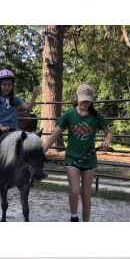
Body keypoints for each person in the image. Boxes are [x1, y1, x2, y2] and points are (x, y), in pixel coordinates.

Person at [43, 84, 113, 222]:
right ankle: (74, 218)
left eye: (88, 100)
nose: (85, 103)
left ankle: (85, 222)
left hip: (89, 160)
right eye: (82, 100)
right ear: (76, 98)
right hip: (72, 159)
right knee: (75, 191)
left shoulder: (96, 116)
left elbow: (109, 133)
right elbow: (54, 135)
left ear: (91, 100)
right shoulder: (68, 115)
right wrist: (42, 151)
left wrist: (107, 140)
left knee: (86, 195)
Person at [0, 69, 40, 171]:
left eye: (9, 85)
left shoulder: (15, 99)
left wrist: (34, 97)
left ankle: (28, 168)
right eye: (4, 85)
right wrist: (1, 127)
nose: (7, 87)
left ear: (12, 85)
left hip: (13, 128)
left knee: (26, 144)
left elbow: (28, 108)